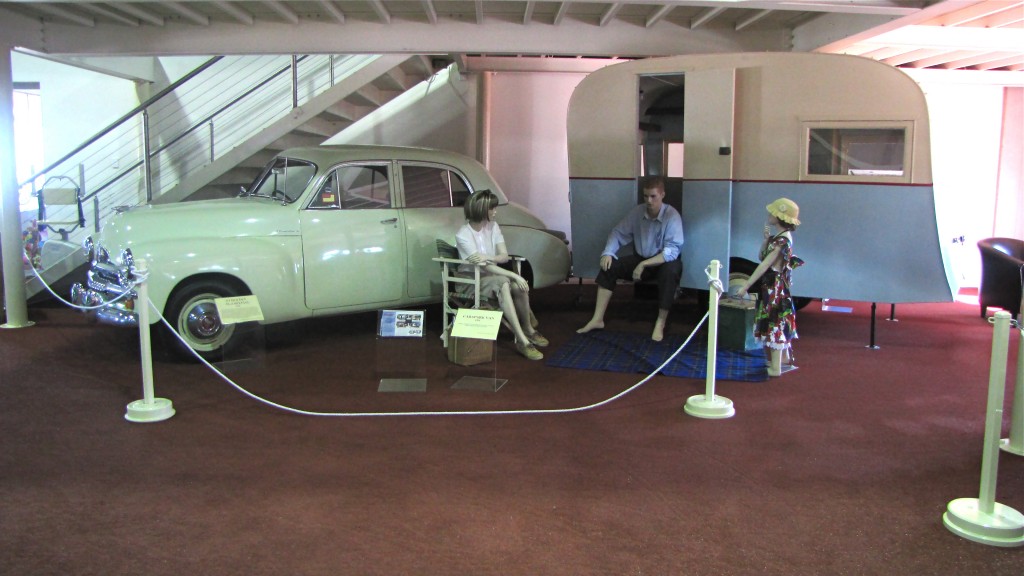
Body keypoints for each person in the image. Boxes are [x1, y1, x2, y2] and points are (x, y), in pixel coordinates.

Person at [577, 175, 685, 341]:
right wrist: (608, 252)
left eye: (653, 196)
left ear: (662, 195)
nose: (649, 201)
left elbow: (672, 252)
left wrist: (643, 265)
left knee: (671, 272)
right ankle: (597, 319)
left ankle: (660, 322)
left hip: (663, 262)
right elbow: (618, 233)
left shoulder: (672, 215)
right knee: (610, 266)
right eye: (645, 196)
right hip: (641, 258)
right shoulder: (638, 212)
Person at [455, 190, 548, 361]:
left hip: (492, 277)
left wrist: (487, 256)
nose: (495, 211)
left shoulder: (493, 227)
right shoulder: (463, 235)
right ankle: (521, 340)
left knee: (517, 286)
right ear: (482, 209)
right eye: (492, 208)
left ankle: (528, 328)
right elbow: (486, 267)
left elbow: (504, 256)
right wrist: (514, 275)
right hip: (471, 282)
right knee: (506, 282)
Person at [735, 198, 804, 377]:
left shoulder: (782, 240)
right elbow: (761, 256)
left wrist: (746, 285)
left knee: (775, 321)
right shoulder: (779, 238)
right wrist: (765, 240)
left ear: (780, 216)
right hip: (773, 286)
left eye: (773, 213)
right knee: (778, 319)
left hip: (775, 288)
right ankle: (783, 358)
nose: (769, 215)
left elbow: (765, 264)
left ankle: (775, 368)